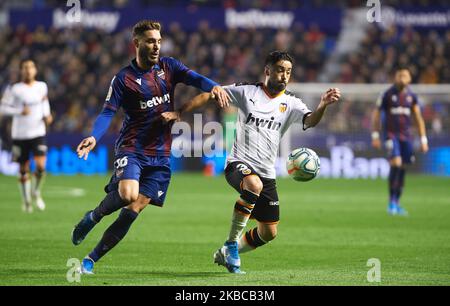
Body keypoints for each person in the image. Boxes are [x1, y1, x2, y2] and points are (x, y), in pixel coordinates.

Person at [71, 20, 229, 274]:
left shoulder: (169, 67)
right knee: (127, 194)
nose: (156, 46)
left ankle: (90, 259)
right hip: (133, 148)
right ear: (137, 43)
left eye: (158, 40)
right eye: (150, 41)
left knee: (133, 210)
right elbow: (107, 112)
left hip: (161, 155)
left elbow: (196, 79)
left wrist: (215, 86)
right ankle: (94, 216)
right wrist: (94, 137)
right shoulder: (124, 79)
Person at [180, 51, 340, 273]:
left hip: (266, 172)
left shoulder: (291, 102)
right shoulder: (247, 92)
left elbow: (310, 121)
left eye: (288, 72)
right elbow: (210, 94)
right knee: (253, 185)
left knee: (268, 232)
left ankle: (227, 251)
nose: (284, 76)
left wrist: (322, 105)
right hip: (238, 163)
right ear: (268, 71)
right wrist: (179, 113)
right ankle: (230, 243)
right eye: (280, 70)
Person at [372, 68, 428, 216]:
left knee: (402, 168)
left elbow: (418, 118)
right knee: (396, 163)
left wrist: (423, 139)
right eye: (399, 75)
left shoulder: (412, 96)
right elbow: (376, 115)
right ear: (395, 78)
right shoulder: (387, 94)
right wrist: (375, 135)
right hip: (391, 136)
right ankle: (391, 203)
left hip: (407, 138)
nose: (402, 78)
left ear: (410, 79)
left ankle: (397, 202)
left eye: (405, 75)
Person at [0, 59, 53, 212]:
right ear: (21, 71)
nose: (28, 70)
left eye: (31, 67)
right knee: (23, 169)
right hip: (20, 134)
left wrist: (47, 115)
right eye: (25, 67)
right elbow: (3, 108)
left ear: (35, 70)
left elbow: (45, 103)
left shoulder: (42, 86)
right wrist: (19, 112)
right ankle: (26, 200)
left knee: (41, 166)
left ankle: (36, 191)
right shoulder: (14, 89)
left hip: (38, 132)